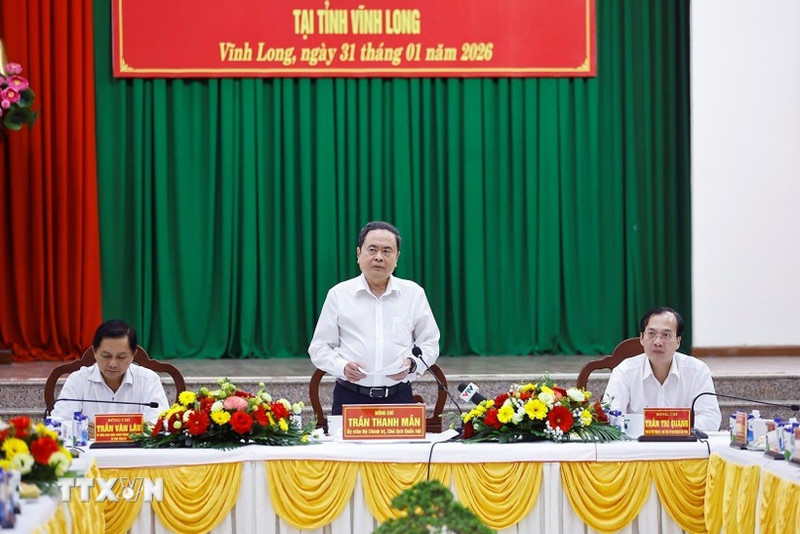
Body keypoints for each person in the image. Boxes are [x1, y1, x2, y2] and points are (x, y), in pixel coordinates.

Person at [309, 221, 440, 415]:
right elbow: (319, 348)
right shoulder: (339, 294)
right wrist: (342, 367)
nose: (379, 257)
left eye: (387, 251)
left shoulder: (413, 294)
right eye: (372, 249)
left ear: (397, 258)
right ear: (358, 254)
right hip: (350, 398)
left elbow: (430, 343)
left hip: (399, 398)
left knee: (401, 447)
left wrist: (413, 364)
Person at [603, 307, 722, 431]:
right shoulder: (625, 371)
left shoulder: (697, 371)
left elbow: (711, 418)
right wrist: (665, 425)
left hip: (683, 447)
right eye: (651, 334)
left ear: (678, 341)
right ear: (642, 338)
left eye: (666, 335)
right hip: (639, 447)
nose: (658, 342)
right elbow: (610, 416)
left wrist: (667, 427)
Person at [51, 320, 170, 435]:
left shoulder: (148, 380)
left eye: (121, 357)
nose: (112, 364)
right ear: (95, 352)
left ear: (133, 354)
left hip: (135, 453)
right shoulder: (78, 380)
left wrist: (142, 429)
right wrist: (81, 429)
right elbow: (55, 425)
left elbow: (162, 422)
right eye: (106, 356)